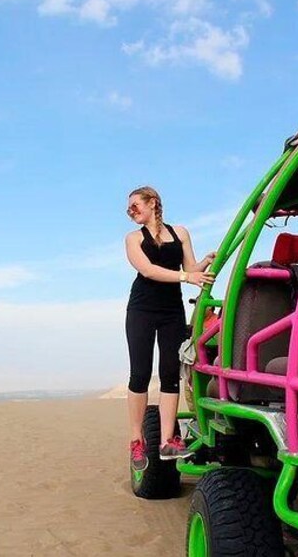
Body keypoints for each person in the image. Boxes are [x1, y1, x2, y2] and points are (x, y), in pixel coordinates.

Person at [124, 186, 216, 471]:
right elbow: (149, 270)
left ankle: (167, 441)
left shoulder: (181, 233)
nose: (131, 213)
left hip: (171, 311)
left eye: (135, 206)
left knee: (169, 374)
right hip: (141, 310)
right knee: (140, 374)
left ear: (153, 203)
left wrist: (204, 264)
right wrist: (188, 276)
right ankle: (137, 441)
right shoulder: (133, 239)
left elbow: (189, 267)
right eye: (128, 210)